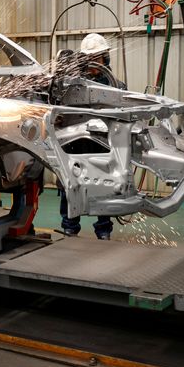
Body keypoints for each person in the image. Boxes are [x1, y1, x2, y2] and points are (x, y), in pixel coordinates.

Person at [53, 33, 120, 240]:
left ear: (106, 59)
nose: (94, 64)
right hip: (73, 147)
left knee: (104, 186)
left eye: (98, 59)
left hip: (102, 147)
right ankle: (70, 228)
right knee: (70, 185)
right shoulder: (69, 85)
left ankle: (103, 230)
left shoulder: (116, 87)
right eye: (90, 59)